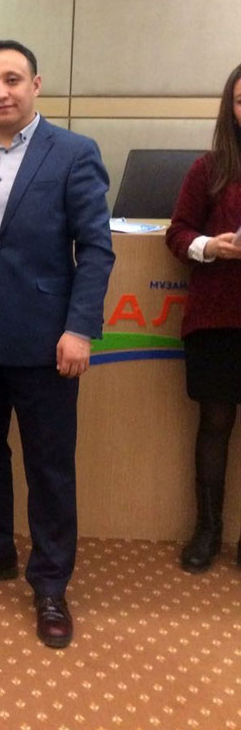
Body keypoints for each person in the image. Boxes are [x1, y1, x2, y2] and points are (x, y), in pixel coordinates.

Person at [0, 39, 114, 649]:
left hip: (47, 342)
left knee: (49, 467)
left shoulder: (75, 152)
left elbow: (96, 249)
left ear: (36, 84)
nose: (1, 92)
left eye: (12, 79)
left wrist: (79, 328)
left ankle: (51, 582)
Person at [166, 63, 241, 573]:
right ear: (229, 108)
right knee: (215, 424)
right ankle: (208, 530)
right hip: (217, 318)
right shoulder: (209, 168)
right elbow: (177, 234)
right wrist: (210, 247)